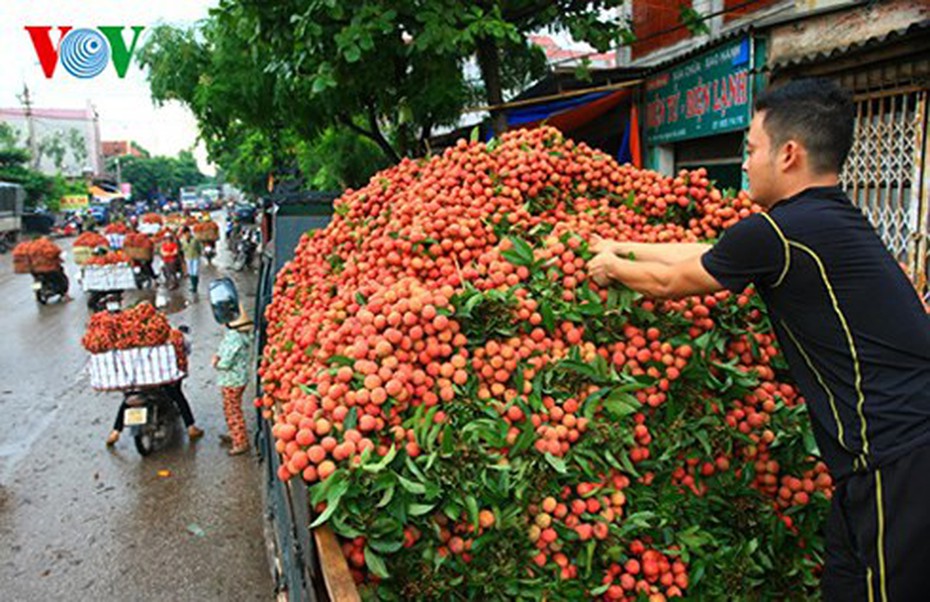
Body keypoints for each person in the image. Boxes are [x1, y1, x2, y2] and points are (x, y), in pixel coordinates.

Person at [587, 78, 930, 601]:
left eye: (751, 149)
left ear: (788, 154)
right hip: (873, 459)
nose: (745, 163)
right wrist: (618, 245)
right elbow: (708, 254)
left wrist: (609, 267)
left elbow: (673, 283)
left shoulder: (785, 231)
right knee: (845, 585)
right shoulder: (820, 220)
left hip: (897, 455)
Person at [212, 308, 254, 455]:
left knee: (232, 411)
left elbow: (226, 361)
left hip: (231, 380)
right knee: (234, 408)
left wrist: (216, 363)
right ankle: (235, 433)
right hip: (240, 378)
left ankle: (240, 442)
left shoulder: (233, 337)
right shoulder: (245, 336)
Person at [179, 226, 203, 294]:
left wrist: (199, 253)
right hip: (188, 257)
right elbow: (183, 249)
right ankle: (193, 286)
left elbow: (199, 247)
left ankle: (195, 286)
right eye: (185, 233)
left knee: (195, 271)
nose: (186, 234)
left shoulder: (195, 239)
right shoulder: (183, 240)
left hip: (195, 256)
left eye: (187, 233)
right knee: (190, 272)